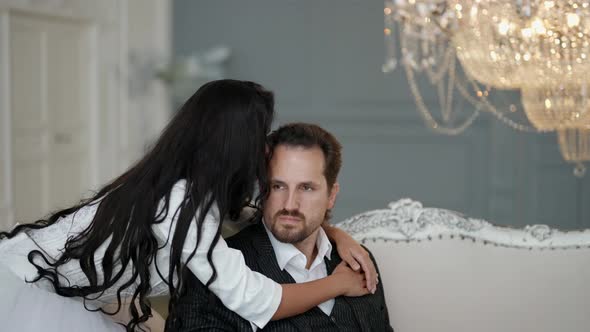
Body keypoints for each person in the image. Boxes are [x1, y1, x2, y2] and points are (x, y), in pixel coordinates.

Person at [0, 80, 377, 332]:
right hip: (23, 289)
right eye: (259, 135)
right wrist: (337, 283)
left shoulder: (198, 194)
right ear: (235, 141)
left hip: (55, 288)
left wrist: (337, 234)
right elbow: (255, 299)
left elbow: (280, 217)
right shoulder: (181, 202)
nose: (265, 148)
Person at [170, 123, 393, 331]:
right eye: (278, 186)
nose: (289, 205)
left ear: (331, 196)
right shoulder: (213, 271)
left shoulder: (358, 262)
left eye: (306, 188)